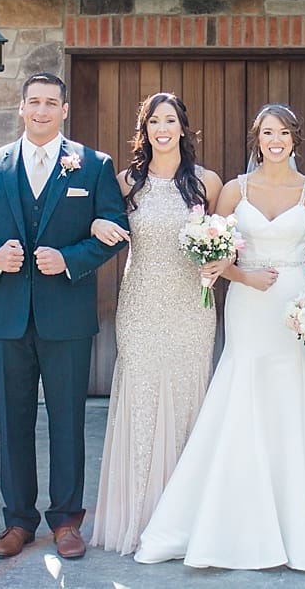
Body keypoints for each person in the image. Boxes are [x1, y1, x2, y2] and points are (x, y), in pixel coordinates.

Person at [135, 103, 305, 572]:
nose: (276, 140)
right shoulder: (233, 190)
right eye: (268, 132)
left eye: (284, 132)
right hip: (248, 306)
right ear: (257, 139)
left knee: (300, 400)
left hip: (296, 307)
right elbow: (210, 248)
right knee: (244, 394)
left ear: (294, 139)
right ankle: (236, 517)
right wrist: (243, 278)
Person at [0, 72, 127, 561]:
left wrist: (70, 259)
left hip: (66, 316)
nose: (43, 110)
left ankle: (67, 521)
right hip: (9, 314)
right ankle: (17, 521)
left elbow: (115, 229)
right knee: (13, 421)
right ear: (22, 108)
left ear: (65, 110)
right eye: (35, 102)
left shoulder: (93, 166)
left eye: (52, 103)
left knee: (69, 421)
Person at [85, 93, 223, 554]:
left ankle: (183, 521)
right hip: (141, 301)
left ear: (183, 127)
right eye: (153, 122)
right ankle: (139, 517)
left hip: (192, 304)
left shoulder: (208, 184)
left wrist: (217, 261)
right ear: (143, 131)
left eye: (170, 120)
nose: (162, 128)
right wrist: (93, 229)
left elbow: (225, 242)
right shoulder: (126, 182)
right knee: (142, 401)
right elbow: (96, 223)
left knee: (187, 399)